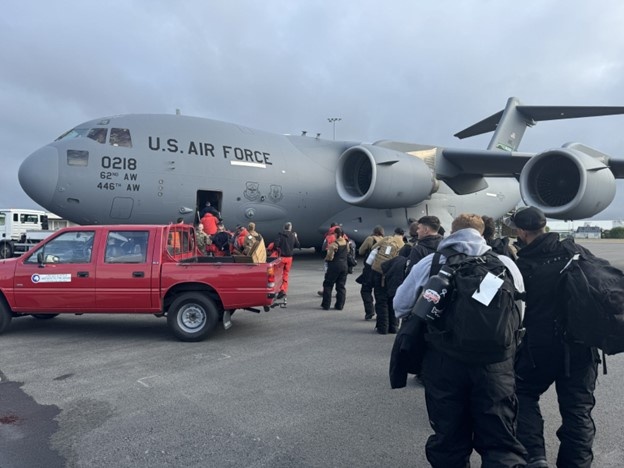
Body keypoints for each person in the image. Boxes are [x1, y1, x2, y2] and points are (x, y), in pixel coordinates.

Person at [393, 213, 527, 467]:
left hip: (444, 362)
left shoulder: (433, 263)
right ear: (482, 233)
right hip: (494, 364)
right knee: (500, 442)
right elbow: (519, 311)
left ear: (452, 232)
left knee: (449, 440)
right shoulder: (504, 264)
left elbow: (399, 305)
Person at [507, 206, 600, 468]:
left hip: (539, 347)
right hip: (581, 346)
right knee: (578, 411)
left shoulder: (521, 264)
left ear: (522, 231)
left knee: (523, 394)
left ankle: (535, 456)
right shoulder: (576, 253)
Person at [370, 227, 405, 334]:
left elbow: (373, 247)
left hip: (379, 272)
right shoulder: (403, 245)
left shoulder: (387, 239)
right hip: (393, 275)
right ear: (403, 235)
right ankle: (394, 327)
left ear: (394, 233)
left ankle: (382, 328)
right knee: (393, 300)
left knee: (381, 301)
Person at [356, 225, 384, 320]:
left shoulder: (370, 239)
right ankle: (380, 312)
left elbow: (360, 251)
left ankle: (370, 311)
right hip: (380, 269)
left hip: (369, 268)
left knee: (365, 290)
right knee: (378, 292)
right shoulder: (385, 240)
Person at [320, 227, 349, 310]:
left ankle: (326, 305)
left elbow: (329, 256)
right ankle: (339, 305)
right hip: (344, 266)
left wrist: (327, 258)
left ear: (336, 234)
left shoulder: (334, 244)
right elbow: (348, 251)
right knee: (341, 286)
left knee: (328, 285)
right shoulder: (346, 243)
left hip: (334, 266)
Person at [273, 222, 300, 298]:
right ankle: (283, 290)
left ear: (283, 227)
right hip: (289, 258)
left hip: (281, 257)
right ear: (290, 228)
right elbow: (298, 245)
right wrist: (296, 237)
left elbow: (276, 245)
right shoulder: (293, 235)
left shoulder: (280, 235)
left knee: (278, 274)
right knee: (286, 274)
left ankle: (277, 289)